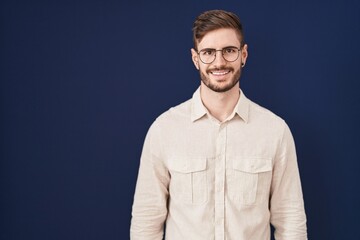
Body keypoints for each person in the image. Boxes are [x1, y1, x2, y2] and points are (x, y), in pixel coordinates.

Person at [130, 9, 307, 240]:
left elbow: (290, 220)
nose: (219, 62)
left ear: (244, 54)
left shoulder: (275, 131)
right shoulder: (164, 130)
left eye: (229, 51)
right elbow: (146, 221)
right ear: (196, 59)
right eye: (208, 52)